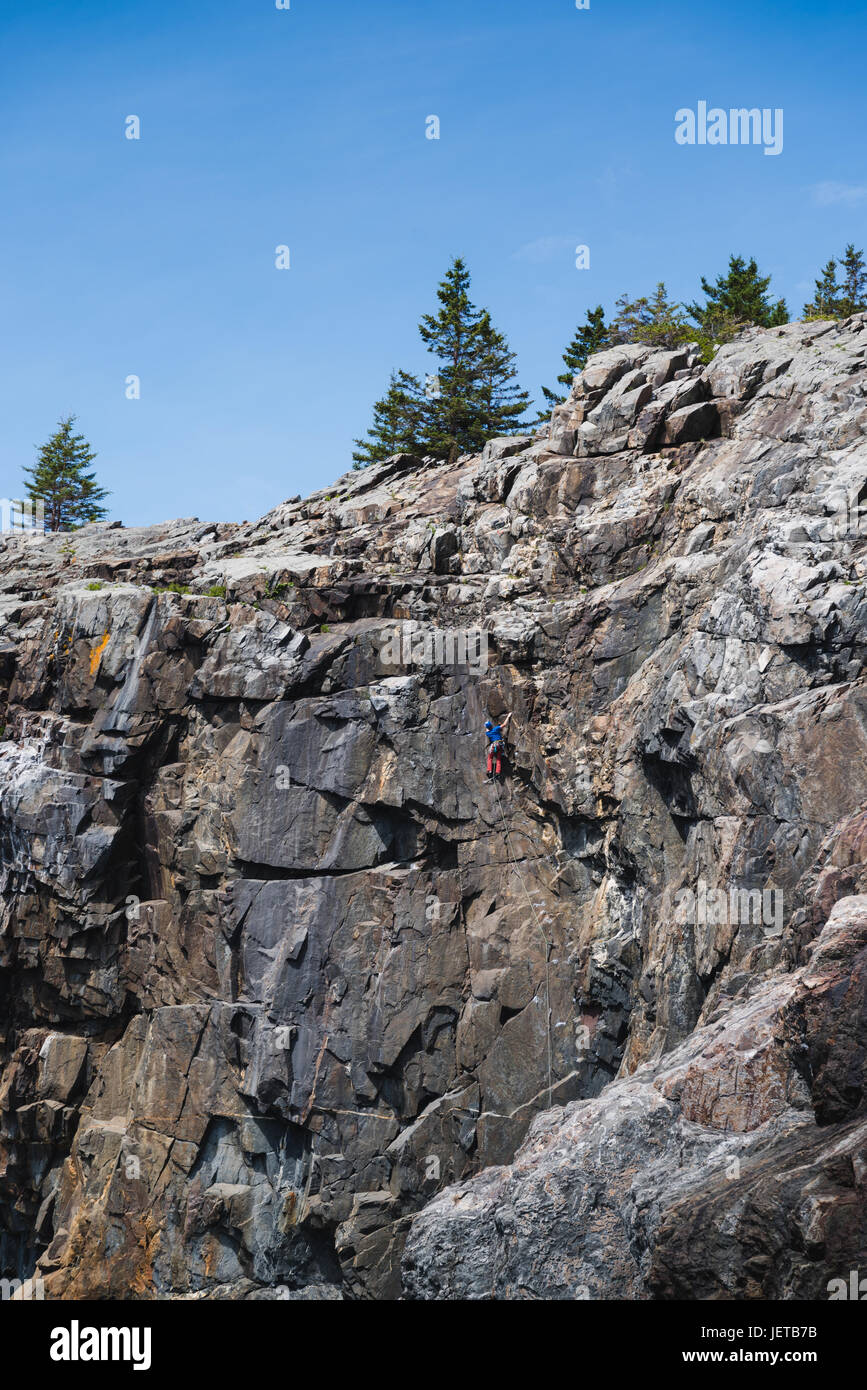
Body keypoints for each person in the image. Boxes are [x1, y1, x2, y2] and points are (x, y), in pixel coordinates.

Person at [484, 713, 511, 779]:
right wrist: (508, 716)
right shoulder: (496, 729)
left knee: (490, 758)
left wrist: (487, 727)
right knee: (498, 759)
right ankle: (498, 772)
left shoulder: (488, 733)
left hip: (494, 745)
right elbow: (504, 725)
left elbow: (487, 729)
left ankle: (489, 770)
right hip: (500, 745)